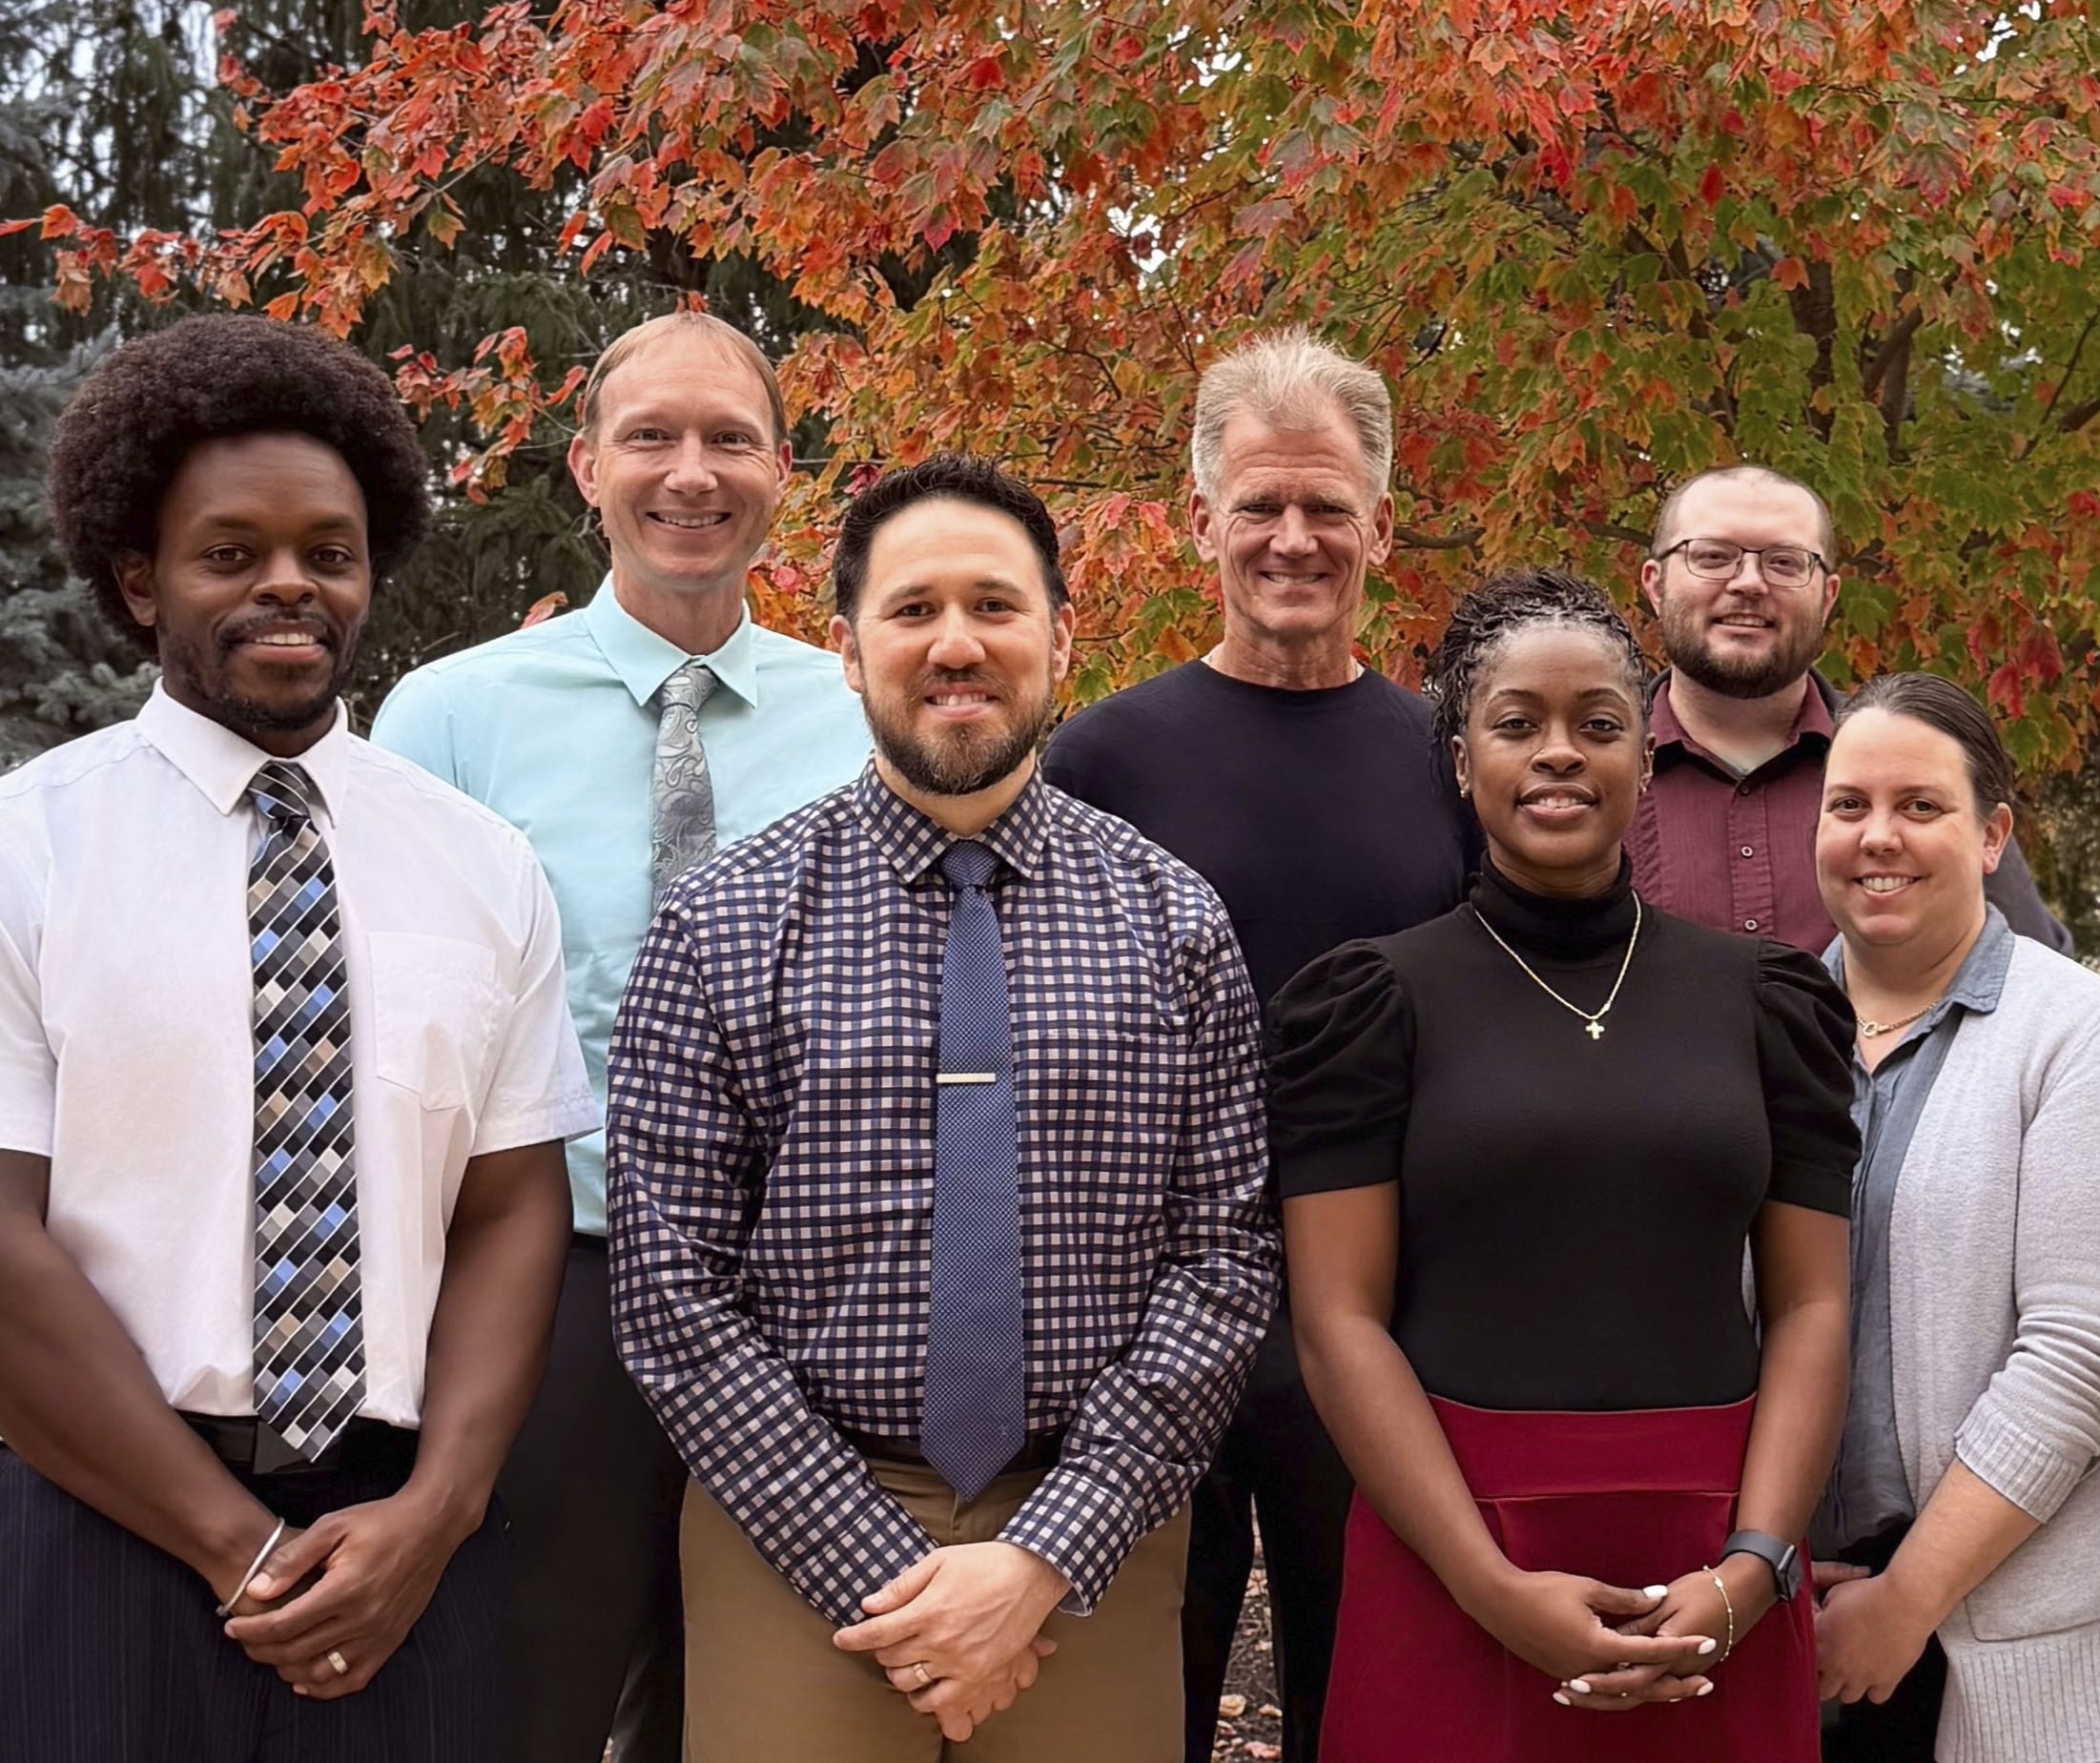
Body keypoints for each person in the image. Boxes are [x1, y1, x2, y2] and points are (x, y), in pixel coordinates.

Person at [606, 454, 1279, 1763]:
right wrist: (876, 1571)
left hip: (1094, 1523)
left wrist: (1042, 1557)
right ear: (848, 651)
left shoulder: (1173, 920)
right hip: (791, 1520)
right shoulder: (724, 923)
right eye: (913, 611)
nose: (955, 644)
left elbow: (1222, 1260)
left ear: (1060, 640)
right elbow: (669, 1284)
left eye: (995, 605)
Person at [0, 314, 596, 1760]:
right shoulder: (28, 849)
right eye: (230, 551)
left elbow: (515, 1208)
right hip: (103, 1532)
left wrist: (437, 1513)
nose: (289, 582)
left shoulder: (482, 862)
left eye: (328, 550)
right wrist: (233, 1548)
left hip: (405, 1549)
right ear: (140, 580)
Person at [372, 309, 872, 1763]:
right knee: (524, 1695)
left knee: (751, 1709)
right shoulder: (449, 722)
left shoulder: (862, 719)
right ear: (588, 465)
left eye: (729, 438)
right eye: (651, 436)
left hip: (795, 1301)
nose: (690, 473)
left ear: (785, 470)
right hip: (551, 1288)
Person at [1276, 567, 1858, 1761]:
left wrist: (1753, 1569)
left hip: (1711, 1565)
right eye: (1515, 724)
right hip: (1452, 1544)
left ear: (1643, 761)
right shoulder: (1370, 1001)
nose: (1558, 753)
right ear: (1459, 760)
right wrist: (1487, 1586)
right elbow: (1338, 1320)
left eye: (1597, 724)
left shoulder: (1767, 1001)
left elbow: (1811, 1302)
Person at [1041, 328, 1469, 1763]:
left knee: (1367, 1704)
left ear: (1381, 528)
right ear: (1199, 520)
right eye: (1261, 505)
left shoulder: (1450, 765)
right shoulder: (1097, 761)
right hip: (1142, 1314)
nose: (1293, 539)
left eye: (1327, 508)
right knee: (1129, 1704)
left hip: (1384, 1318)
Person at [1809, 672, 2100, 1763]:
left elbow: (2081, 1353)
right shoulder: (1770, 1028)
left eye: (1921, 807)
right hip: (1793, 1615)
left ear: (1992, 834)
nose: (1879, 837)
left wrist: (1906, 1596)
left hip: (2010, 1641)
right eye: (1847, 805)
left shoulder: (2077, 1033)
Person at [1626, 463, 2068, 953]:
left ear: (1828, 596)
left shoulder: (1928, 763)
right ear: (1655, 583)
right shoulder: (1589, 774)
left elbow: (2038, 985)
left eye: (1785, 562)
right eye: (1712, 556)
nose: (1749, 582)